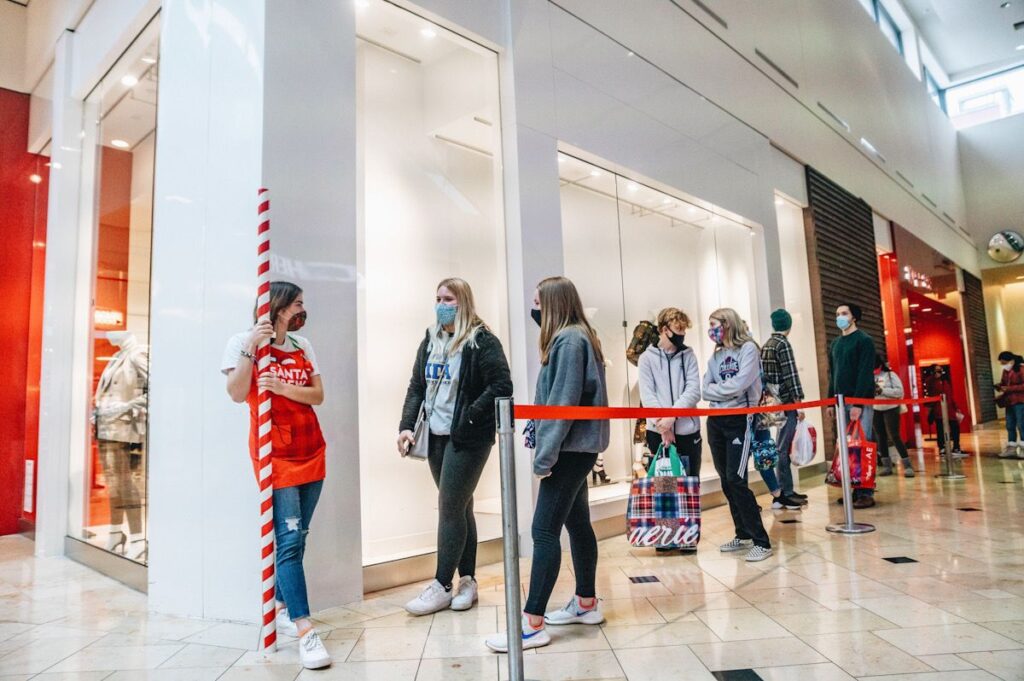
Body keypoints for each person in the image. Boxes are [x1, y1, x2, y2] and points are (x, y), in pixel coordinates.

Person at [486, 276, 609, 652]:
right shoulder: (575, 336)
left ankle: (531, 623)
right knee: (578, 524)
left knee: (543, 531)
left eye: (537, 301)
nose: (533, 308)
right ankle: (586, 602)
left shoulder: (570, 340)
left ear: (552, 304)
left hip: (570, 450)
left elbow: (561, 404)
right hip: (577, 448)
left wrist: (544, 457)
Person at [222, 281, 331, 670]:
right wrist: (252, 347)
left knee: (298, 536)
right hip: (276, 456)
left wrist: (283, 386)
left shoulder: (303, 346)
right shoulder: (242, 341)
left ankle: (284, 606)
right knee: (287, 540)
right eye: (298, 303)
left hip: (311, 450)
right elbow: (236, 394)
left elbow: (317, 395)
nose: (303, 308)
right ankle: (305, 629)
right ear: (279, 307)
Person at [398, 278, 513, 616]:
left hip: (468, 437)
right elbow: (417, 386)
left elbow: (501, 385)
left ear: (463, 302)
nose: (441, 304)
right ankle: (468, 580)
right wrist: (406, 426)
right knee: (461, 507)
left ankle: (442, 584)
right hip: (435, 436)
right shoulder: (430, 339)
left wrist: (470, 417)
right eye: (437, 298)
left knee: (449, 505)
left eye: (448, 298)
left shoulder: (481, 340)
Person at [702, 308, 772, 562]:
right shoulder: (717, 355)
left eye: (714, 324)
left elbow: (742, 383)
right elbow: (704, 389)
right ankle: (742, 533)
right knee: (725, 480)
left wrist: (721, 391)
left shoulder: (749, 349)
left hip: (739, 420)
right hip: (716, 421)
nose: (711, 330)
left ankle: (761, 541)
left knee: (736, 479)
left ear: (728, 324)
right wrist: (725, 392)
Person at [637, 307, 703, 552]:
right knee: (665, 485)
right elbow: (648, 395)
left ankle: (688, 535)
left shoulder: (689, 356)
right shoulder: (646, 359)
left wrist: (672, 418)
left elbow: (693, 390)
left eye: (684, 329)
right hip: (659, 432)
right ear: (664, 329)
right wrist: (663, 426)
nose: (682, 334)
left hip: (687, 430)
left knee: (688, 483)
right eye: (678, 329)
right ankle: (667, 534)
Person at [827, 303, 877, 509]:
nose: (840, 317)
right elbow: (833, 373)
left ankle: (865, 491)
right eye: (837, 313)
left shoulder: (864, 341)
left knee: (862, 445)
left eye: (844, 313)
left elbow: (865, 373)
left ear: (854, 317)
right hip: (840, 402)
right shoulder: (835, 344)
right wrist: (830, 399)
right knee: (846, 447)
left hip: (859, 402)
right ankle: (851, 487)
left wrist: (858, 403)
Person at [760, 309, 808, 509]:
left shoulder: (766, 345)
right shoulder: (783, 345)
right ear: (788, 325)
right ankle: (784, 492)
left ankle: (785, 489)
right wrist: (799, 403)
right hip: (787, 402)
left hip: (772, 403)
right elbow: (791, 375)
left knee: (780, 445)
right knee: (782, 447)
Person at [873, 354, 915, 478]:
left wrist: (882, 391)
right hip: (875, 409)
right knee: (880, 437)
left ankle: (907, 465)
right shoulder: (869, 376)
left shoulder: (891, 375)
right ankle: (886, 466)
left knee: (894, 436)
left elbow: (899, 391)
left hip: (891, 408)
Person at [926, 365, 965, 458]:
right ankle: (942, 448)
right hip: (938, 409)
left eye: (940, 370)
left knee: (955, 427)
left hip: (950, 408)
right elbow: (931, 394)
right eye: (936, 371)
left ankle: (956, 447)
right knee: (940, 429)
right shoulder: (930, 381)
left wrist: (956, 407)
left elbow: (950, 395)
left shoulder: (946, 381)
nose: (938, 372)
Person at [996, 351, 1024, 459]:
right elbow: (1004, 383)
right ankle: (1011, 447)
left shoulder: (1021, 369)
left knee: (1021, 425)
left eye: (1004, 363)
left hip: (1020, 401)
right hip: (1009, 402)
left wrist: (1009, 388)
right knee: (1010, 425)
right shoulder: (1006, 371)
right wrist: (1000, 386)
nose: (1004, 365)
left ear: (1011, 361)